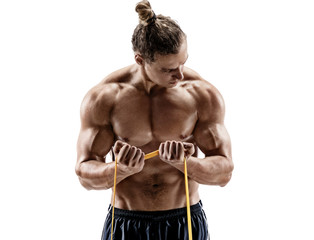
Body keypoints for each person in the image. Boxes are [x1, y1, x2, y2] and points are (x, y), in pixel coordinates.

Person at [75, 1, 233, 239]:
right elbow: (84, 174)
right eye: (169, 69)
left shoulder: (201, 95)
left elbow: (224, 173)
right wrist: (119, 170)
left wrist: (186, 165)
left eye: (183, 62)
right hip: (126, 222)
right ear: (140, 60)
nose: (179, 75)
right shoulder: (104, 98)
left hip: (184, 220)